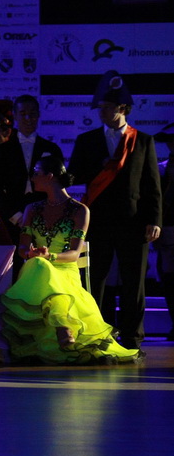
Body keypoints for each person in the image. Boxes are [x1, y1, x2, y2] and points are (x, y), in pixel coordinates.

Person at [0, 155, 140, 364]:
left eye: (36, 173)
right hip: (35, 269)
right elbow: (21, 247)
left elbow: (74, 253)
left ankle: (61, 324)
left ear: (50, 176)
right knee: (39, 265)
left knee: (43, 265)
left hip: (65, 270)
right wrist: (30, 253)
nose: (32, 178)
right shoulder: (32, 209)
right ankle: (62, 325)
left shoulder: (79, 210)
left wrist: (51, 256)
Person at [68, 72, 162, 350]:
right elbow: (73, 176)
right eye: (100, 107)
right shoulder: (86, 140)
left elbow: (152, 185)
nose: (101, 112)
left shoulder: (142, 141)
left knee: (134, 282)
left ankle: (132, 338)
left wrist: (154, 220)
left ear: (122, 108)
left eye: (107, 107)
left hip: (134, 223)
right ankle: (96, 334)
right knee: (94, 281)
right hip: (97, 222)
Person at [0, 94, 63, 247]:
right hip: (12, 217)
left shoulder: (51, 149)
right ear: (15, 116)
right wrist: (16, 217)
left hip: (45, 217)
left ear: (39, 115)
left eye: (32, 113)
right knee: (13, 258)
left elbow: (59, 185)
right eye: (23, 114)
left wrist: (50, 213)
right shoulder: (2, 151)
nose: (28, 118)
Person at [154, 122, 174, 340]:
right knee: (168, 276)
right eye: (170, 141)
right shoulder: (162, 168)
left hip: (168, 229)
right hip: (168, 229)